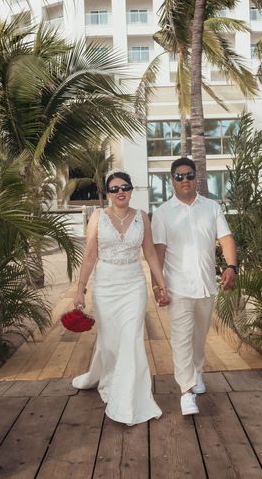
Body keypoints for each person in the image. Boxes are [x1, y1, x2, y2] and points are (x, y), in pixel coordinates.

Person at [72, 171, 169, 426]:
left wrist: (161, 285)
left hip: (133, 286)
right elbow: (90, 255)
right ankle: (109, 380)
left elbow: (149, 254)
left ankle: (129, 401)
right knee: (111, 341)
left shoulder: (142, 217)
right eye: (114, 189)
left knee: (132, 340)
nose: (120, 191)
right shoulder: (97, 217)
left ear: (131, 189)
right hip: (105, 286)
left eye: (124, 186)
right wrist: (80, 289)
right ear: (108, 193)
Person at [151, 157, 238, 416]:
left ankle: (196, 372)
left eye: (189, 175)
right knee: (180, 339)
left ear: (196, 177)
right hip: (178, 288)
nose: (185, 180)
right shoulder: (162, 213)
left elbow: (226, 238)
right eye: (179, 176)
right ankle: (186, 392)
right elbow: (158, 253)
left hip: (206, 286)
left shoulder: (211, 207)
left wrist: (232, 266)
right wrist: (159, 287)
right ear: (172, 180)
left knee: (199, 338)